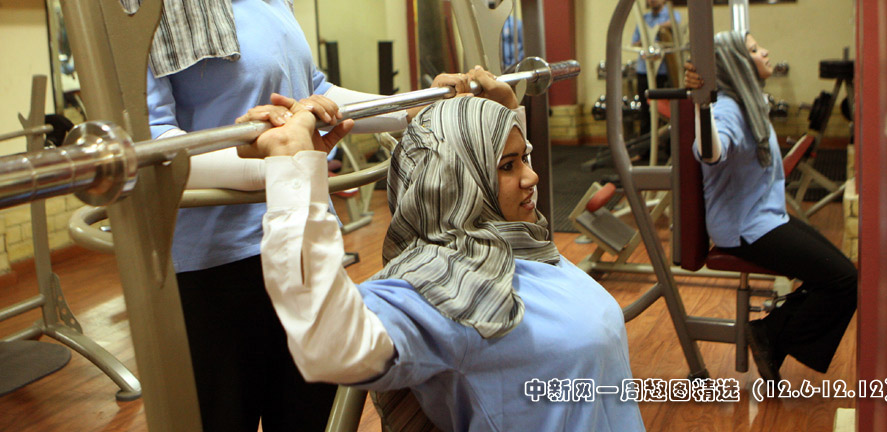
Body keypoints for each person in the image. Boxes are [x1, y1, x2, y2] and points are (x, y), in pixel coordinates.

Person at [101, 0, 472, 430]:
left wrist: (421, 107)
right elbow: (152, 144)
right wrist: (279, 161)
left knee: (313, 419)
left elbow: (315, 92)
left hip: (298, 232)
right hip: (209, 265)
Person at [244, 68, 645, 432]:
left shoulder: (518, 242)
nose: (532, 176)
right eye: (509, 165)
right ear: (459, 180)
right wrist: (294, 169)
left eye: (523, 158)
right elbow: (332, 343)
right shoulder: (445, 285)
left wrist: (504, 114)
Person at [684, 31, 857, 382]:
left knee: (841, 275)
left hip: (765, 218)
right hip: (744, 228)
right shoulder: (728, 108)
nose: (764, 52)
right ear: (735, 63)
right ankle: (770, 334)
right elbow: (710, 152)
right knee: (844, 279)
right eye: (753, 49)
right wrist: (701, 105)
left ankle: (770, 334)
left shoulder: (748, 101)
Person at [631, 0, 682, 136]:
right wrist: (645, 41)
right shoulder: (644, 19)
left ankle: (667, 145)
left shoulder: (671, 15)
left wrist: (655, 30)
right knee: (645, 110)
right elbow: (635, 42)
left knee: (665, 112)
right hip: (644, 70)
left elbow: (674, 25)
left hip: (663, 72)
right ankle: (646, 146)